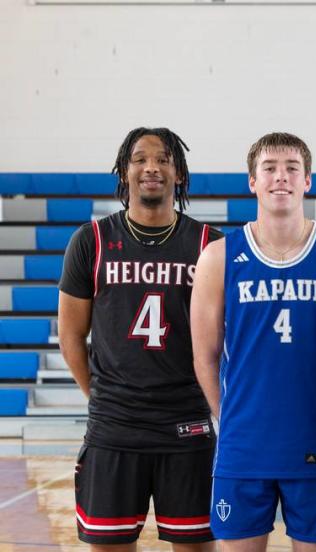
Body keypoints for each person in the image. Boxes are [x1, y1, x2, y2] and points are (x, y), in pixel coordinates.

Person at [191, 132, 316, 552]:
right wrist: (233, 418)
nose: (280, 177)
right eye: (269, 168)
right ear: (252, 181)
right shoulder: (219, 257)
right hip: (243, 450)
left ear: (308, 180)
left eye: (292, 168)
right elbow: (204, 357)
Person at [58, 127, 221, 549]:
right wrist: (99, 396)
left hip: (187, 426)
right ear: (124, 171)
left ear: (179, 174)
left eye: (164, 159)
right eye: (140, 158)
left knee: (196, 545)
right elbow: (72, 335)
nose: (152, 167)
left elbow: (230, 338)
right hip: (114, 428)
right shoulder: (90, 241)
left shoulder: (209, 246)